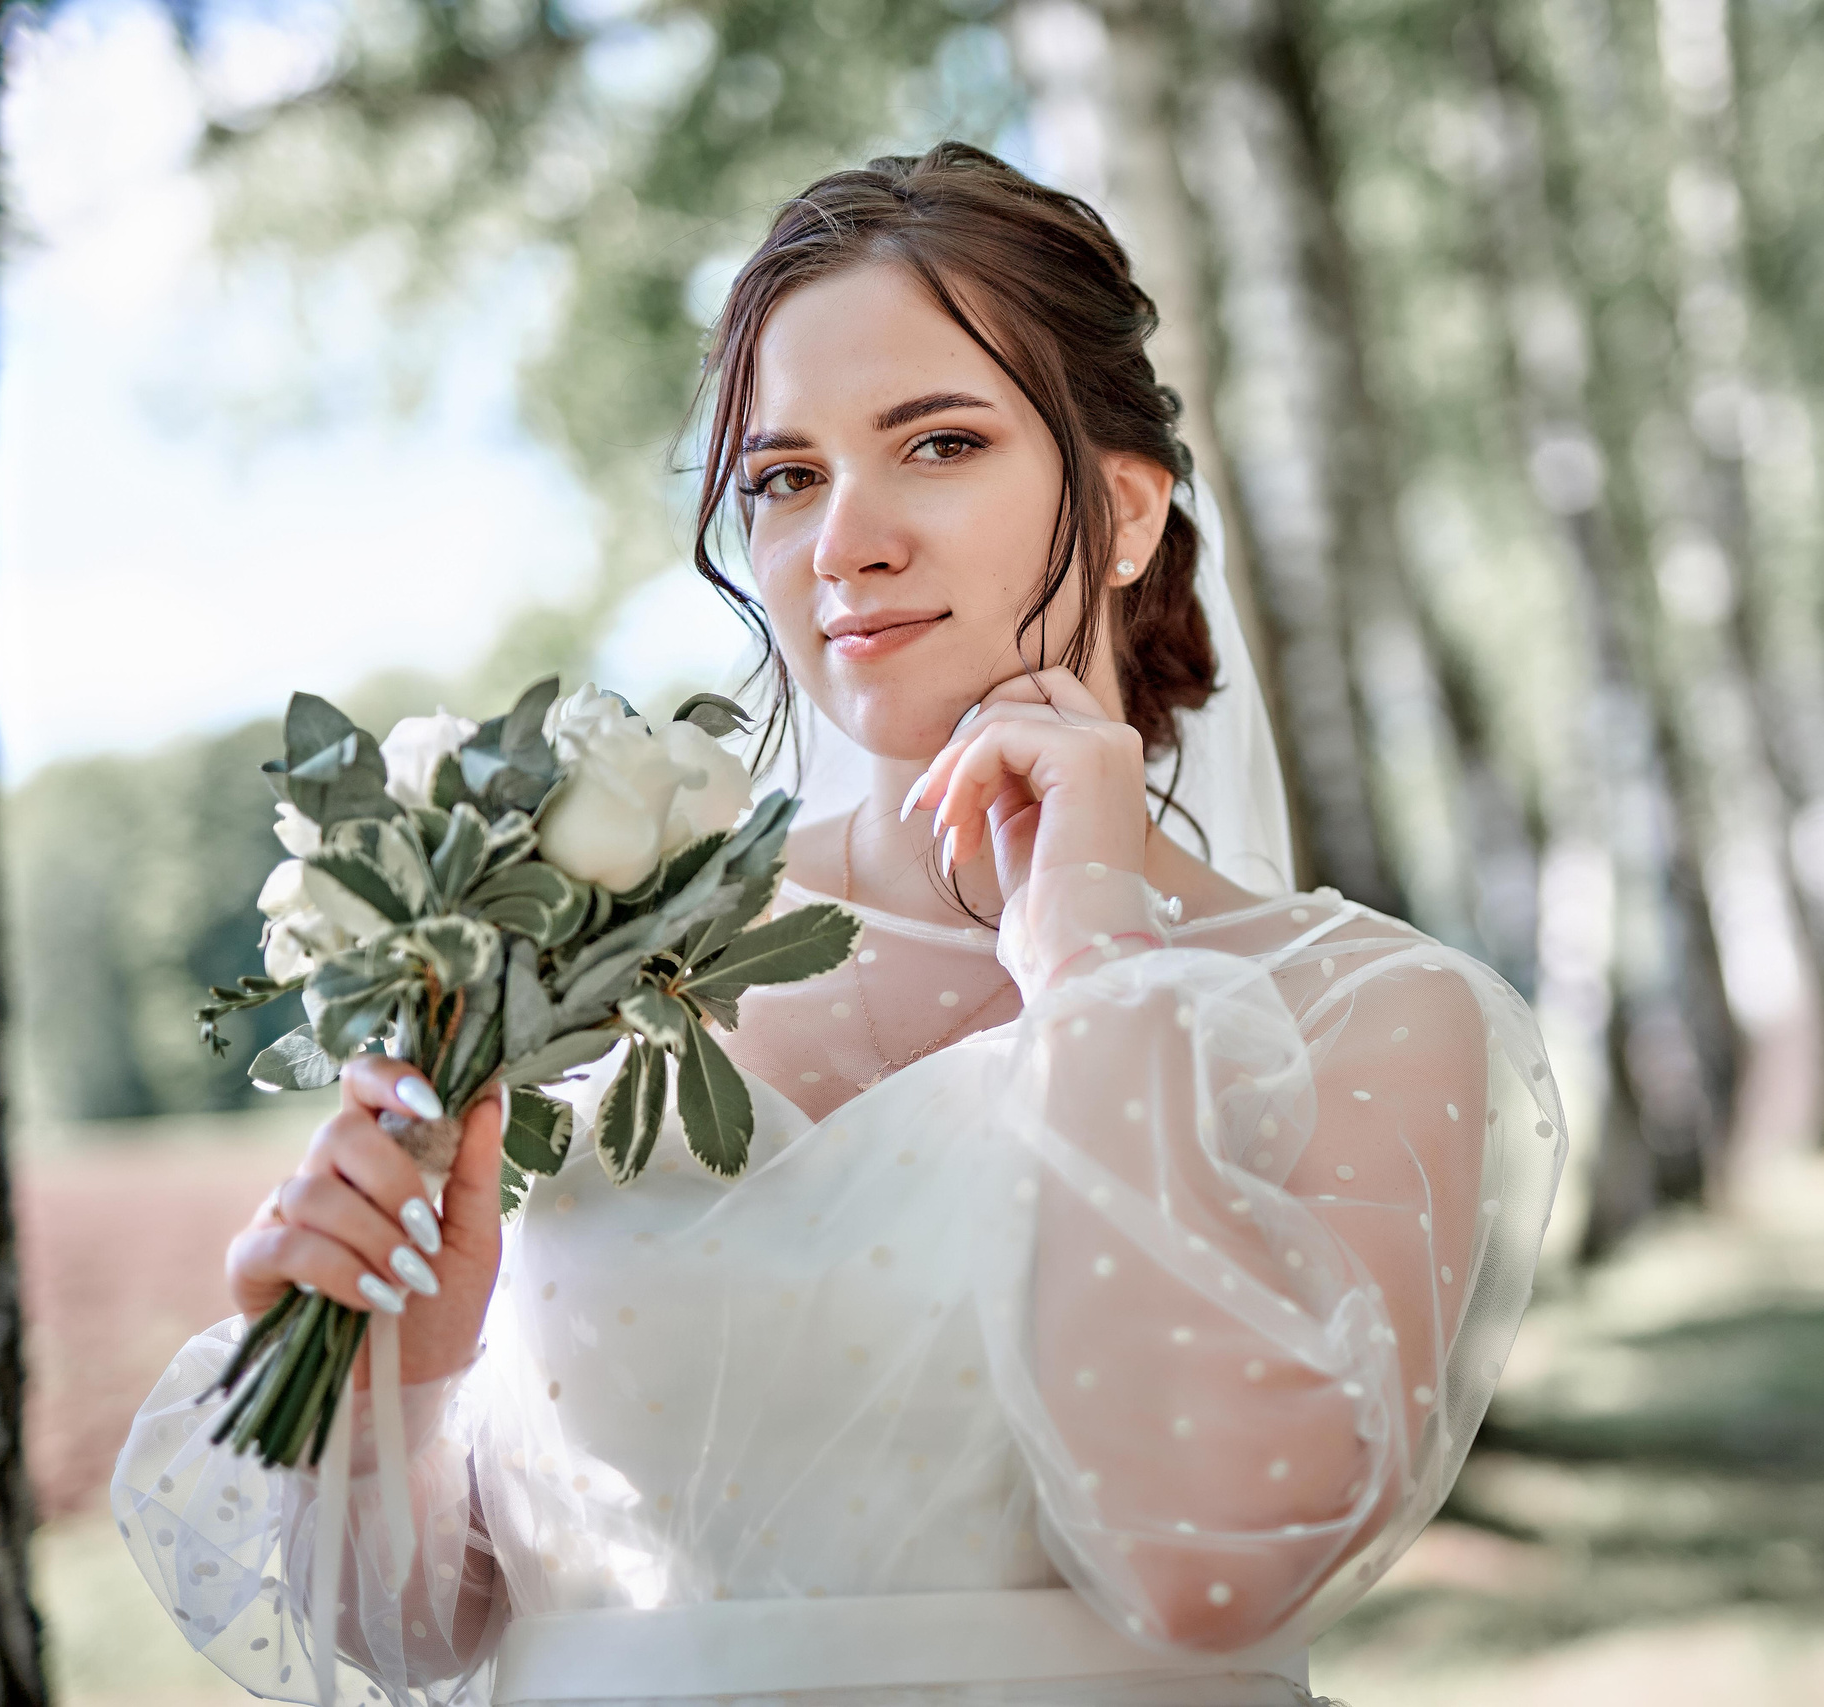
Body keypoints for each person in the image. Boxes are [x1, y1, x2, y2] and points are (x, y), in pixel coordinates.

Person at [112, 141, 1566, 1707]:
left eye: (938, 443)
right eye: (785, 479)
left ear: (1127, 509)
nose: (840, 542)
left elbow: (1205, 1564)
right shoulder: (588, 958)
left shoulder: (1375, 1013)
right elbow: (441, 1627)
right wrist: (387, 1390)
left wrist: (1088, 949)